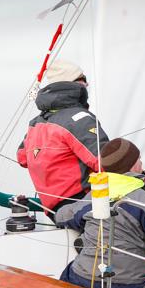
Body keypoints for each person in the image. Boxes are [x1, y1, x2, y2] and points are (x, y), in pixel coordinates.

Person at [57, 138, 145, 288]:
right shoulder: (144, 199)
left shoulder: (93, 195)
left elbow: (61, 216)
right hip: (131, 286)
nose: (142, 163)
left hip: (84, 278)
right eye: (138, 159)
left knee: (68, 272)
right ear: (132, 166)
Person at [17, 59, 109, 214]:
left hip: (56, 210)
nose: (87, 85)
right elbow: (106, 161)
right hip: (85, 202)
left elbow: (22, 158)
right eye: (83, 80)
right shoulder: (79, 118)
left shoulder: (35, 124)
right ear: (73, 85)